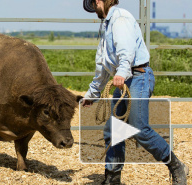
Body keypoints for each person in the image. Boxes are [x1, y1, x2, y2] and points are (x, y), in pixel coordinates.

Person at [81, 0, 189, 184]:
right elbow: (102, 66)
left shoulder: (120, 19)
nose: (93, 7)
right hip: (126, 79)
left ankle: (176, 165)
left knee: (139, 128)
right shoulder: (106, 25)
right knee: (113, 129)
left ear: (100, 0)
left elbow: (126, 50)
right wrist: (93, 94)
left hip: (138, 76)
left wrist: (122, 72)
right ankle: (112, 179)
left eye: (94, 2)